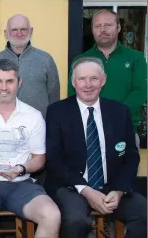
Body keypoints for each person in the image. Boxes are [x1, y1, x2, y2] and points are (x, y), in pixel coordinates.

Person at [45, 57, 147, 238]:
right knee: (76, 221)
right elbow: (54, 160)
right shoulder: (57, 112)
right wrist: (86, 190)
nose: (88, 85)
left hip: (112, 186)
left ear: (103, 80)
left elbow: (131, 156)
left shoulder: (119, 112)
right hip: (72, 187)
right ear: (73, 82)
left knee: (144, 215)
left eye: (93, 78)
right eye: (82, 79)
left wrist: (119, 190)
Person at [0, 59, 61, 238]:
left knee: (52, 215)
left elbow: (39, 158)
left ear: (19, 82)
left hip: (21, 183)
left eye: (10, 81)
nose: (4, 87)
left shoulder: (33, 116)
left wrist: (21, 169)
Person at [68, 10, 147, 148]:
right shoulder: (81, 60)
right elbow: (73, 94)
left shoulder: (136, 58)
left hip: (125, 128)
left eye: (108, 25)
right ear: (92, 30)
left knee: (126, 169)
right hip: (89, 130)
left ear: (118, 27)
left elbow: (140, 92)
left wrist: (111, 115)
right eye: (98, 26)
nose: (102, 30)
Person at [0, 14, 59, 118]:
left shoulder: (46, 60)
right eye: (14, 29)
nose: (19, 33)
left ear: (31, 31)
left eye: (23, 29)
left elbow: (54, 98)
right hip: (2, 126)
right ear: (6, 33)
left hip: (38, 126)